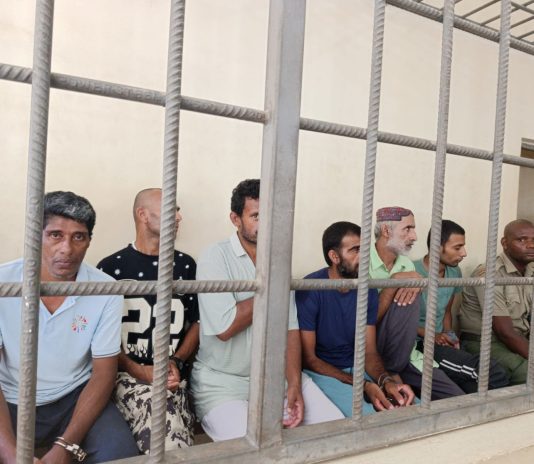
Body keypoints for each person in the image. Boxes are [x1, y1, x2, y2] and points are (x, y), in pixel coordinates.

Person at [190, 179, 343, 441]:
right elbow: (225, 327)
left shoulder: (278, 259)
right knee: (252, 451)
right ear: (235, 219)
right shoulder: (214, 257)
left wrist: (294, 384)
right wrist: (271, 288)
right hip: (223, 384)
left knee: (335, 432)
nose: (267, 223)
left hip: (276, 379)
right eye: (256, 216)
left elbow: (290, 329)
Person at [0, 191, 138, 464]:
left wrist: (65, 447)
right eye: (55, 235)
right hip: (10, 399)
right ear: (35, 236)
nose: (67, 248)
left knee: (121, 455)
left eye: (78, 237)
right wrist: (11, 455)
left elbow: (103, 374)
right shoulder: (4, 283)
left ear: (88, 241)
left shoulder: (105, 289)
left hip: (74, 397)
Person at [98, 188, 198, 453]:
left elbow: (197, 322)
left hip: (173, 376)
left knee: (165, 416)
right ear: (142, 215)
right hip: (126, 376)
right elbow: (100, 337)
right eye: (171, 209)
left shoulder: (185, 265)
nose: (179, 217)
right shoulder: (110, 268)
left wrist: (176, 361)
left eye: (178, 210)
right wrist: (138, 370)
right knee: (162, 418)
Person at [296, 221, 416, 417]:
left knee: (410, 407)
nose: (364, 256)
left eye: (365, 249)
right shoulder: (311, 288)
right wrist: (364, 385)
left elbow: (369, 352)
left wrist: (386, 381)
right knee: (367, 417)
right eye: (355, 250)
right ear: (334, 256)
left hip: (359, 369)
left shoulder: (367, 290)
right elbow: (309, 359)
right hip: (324, 373)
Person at [370, 207, 464, 399]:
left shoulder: (407, 265)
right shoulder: (360, 263)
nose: (414, 236)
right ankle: (392, 372)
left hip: (407, 352)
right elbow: (362, 323)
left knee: (456, 397)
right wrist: (393, 284)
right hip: (372, 350)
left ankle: (397, 370)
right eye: (408, 229)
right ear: (386, 231)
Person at [414, 220, 509, 393]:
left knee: (475, 383)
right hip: (419, 344)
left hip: (441, 341)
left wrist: (450, 335)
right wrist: (431, 335)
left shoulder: (454, 272)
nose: (464, 253)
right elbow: (397, 321)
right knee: (492, 372)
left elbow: (446, 311)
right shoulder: (412, 271)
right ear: (437, 247)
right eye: (457, 248)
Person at [460, 219, 534, 385]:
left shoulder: (530, 270)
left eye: (533, 240)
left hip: (519, 338)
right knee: (529, 374)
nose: (530, 245)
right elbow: (504, 332)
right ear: (504, 243)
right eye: (522, 239)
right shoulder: (490, 274)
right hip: (486, 342)